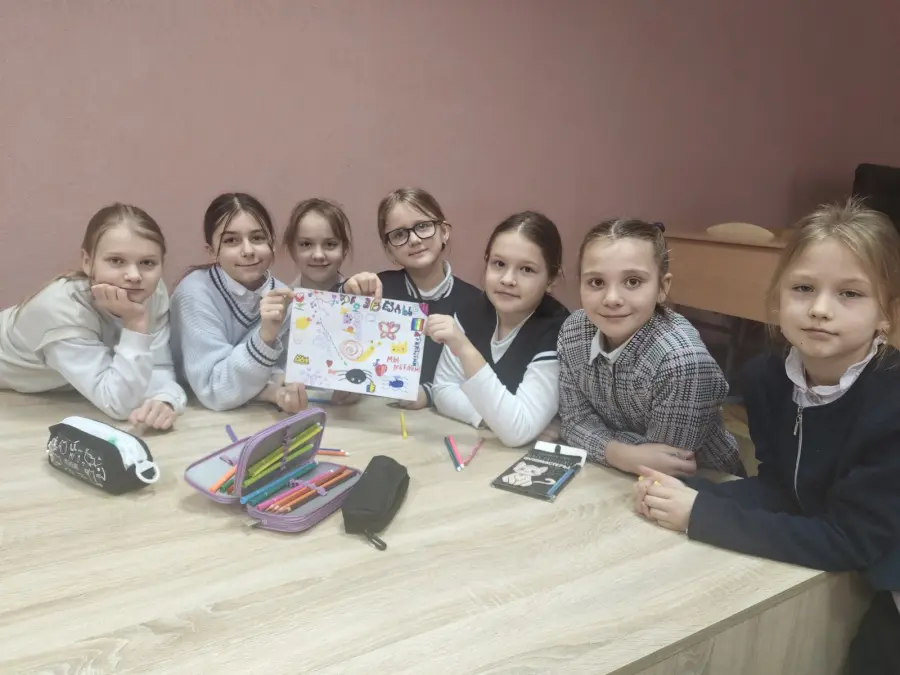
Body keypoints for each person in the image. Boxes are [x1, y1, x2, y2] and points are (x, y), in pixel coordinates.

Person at [634, 199, 900, 675]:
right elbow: (785, 490)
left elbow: (849, 539)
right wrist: (689, 493)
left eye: (850, 294)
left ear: (887, 313)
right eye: (803, 288)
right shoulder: (767, 377)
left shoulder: (891, 402)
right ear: (777, 297)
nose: (820, 309)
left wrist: (702, 515)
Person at [557, 218, 741, 475]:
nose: (612, 299)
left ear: (662, 287)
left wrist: (594, 438)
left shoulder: (682, 362)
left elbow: (667, 464)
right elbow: (573, 421)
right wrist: (618, 453)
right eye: (596, 282)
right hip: (611, 472)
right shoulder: (574, 330)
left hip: (707, 484)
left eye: (632, 281)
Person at [0, 203, 186, 428]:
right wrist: (135, 323)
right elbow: (119, 404)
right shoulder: (62, 312)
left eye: (148, 263)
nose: (134, 276)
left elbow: (158, 368)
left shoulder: (152, 293)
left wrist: (164, 400)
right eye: (116, 261)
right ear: (88, 262)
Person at [428, 211, 569, 446]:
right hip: (483, 449)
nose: (507, 279)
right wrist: (496, 419)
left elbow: (517, 432)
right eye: (499, 264)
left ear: (551, 279)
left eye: (527, 269)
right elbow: (442, 391)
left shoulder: (559, 333)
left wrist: (464, 348)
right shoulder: (470, 312)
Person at [341, 187, 481, 409]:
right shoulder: (377, 290)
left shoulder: (476, 303)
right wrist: (346, 293)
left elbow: (481, 379)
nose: (414, 240)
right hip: (377, 414)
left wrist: (428, 393)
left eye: (423, 226)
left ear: (444, 231)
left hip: (445, 419)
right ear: (389, 250)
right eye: (399, 234)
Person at [170, 192, 306, 413]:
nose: (248, 251)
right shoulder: (195, 293)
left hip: (253, 414)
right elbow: (214, 390)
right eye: (231, 240)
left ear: (272, 243)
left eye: (257, 238)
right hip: (192, 414)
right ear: (212, 252)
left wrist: (280, 390)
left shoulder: (284, 298)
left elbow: (282, 371)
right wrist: (265, 336)